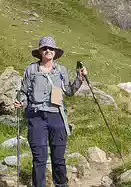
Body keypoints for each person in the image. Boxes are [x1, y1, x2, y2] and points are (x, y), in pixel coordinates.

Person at [14, 36, 88, 187]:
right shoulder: (31, 70)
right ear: (40, 51)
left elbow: (68, 91)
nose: (48, 50)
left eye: (51, 48)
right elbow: (24, 92)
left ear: (55, 52)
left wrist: (79, 78)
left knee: (58, 159)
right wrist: (21, 102)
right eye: (45, 48)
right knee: (39, 159)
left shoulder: (62, 71)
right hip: (36, 116)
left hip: (57, 116)